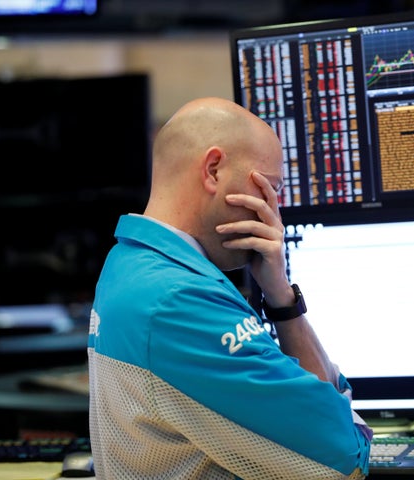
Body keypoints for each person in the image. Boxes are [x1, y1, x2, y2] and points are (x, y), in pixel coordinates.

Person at [87, 97, 372, 479]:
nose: (273, 214)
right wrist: (346, 417)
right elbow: (346, 456)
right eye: (269, 189)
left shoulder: (126, 264)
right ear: (214, 169)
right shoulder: (181, 301)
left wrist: (282, 299)